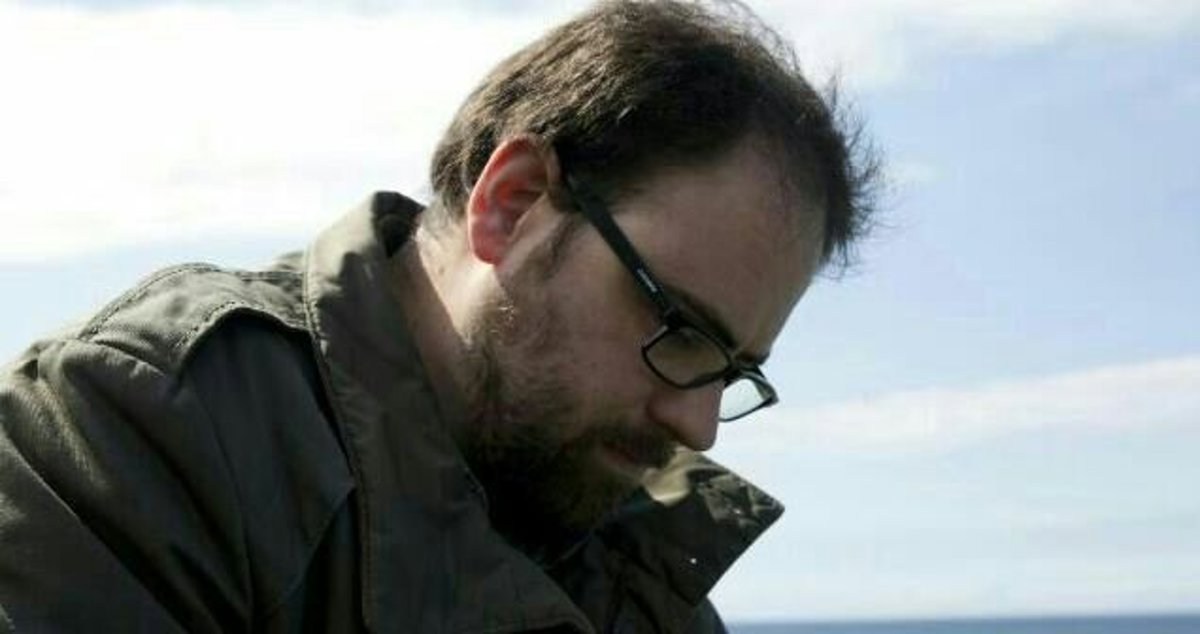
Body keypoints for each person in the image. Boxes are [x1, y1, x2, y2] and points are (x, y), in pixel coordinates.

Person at [0, 1, 877, 632]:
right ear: (513, 204)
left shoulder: (636, 569)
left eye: (733, 371)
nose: (698, 425)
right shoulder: (134, 429)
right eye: (678, 327)